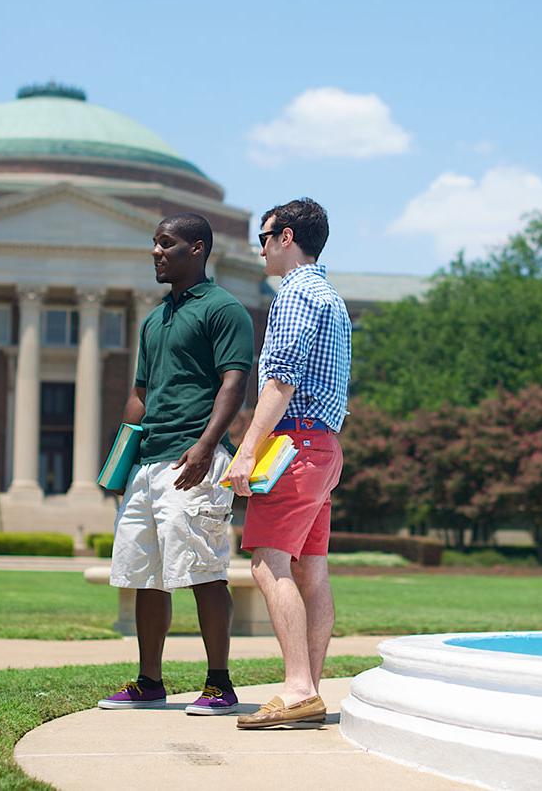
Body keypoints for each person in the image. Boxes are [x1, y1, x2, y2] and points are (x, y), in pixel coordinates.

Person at [99, 213, 254, 716]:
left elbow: (234, 383)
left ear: (199, 248)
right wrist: (121, 463)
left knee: (206, 572)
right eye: (154, 243)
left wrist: (209, 445)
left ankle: (219, 684)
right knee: (145, 575)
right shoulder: (153, 319)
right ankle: (149, 681)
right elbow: (140, 396)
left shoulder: (224, 309)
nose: (156, 252)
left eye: (167, 244)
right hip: (147, 466)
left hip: (194, 459)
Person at [225, 198, 351, 730]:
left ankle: (297, 688)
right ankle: (311, 692)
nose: (260, 246)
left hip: (293, 446)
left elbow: (280, 379)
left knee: (266, 561)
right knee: (311, 569)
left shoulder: (296, 294)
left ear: (286, 236)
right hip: (324, 449)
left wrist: (247, 449)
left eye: (265, 235)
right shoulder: (333, 298)